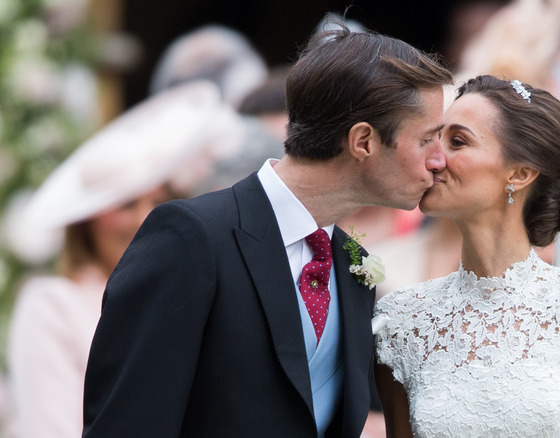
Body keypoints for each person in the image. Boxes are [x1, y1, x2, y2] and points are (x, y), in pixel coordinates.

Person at [81, 19, 452, 437]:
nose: (439, 160)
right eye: (427, 140)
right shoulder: (190, 238)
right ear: (363, 141)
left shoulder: (355, 265)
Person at [373, 75, 560, 437]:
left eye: (458, 141)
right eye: (434, 139)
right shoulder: (401, 321)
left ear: (520, 173)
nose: (433, 158)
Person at [5, 81, 234, 438]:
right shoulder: (52, 303)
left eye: (161, 201)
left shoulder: (199, 296)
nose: (146, 220)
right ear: (87, 221)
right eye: (126, 204)